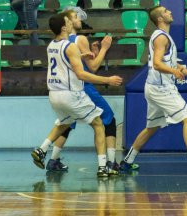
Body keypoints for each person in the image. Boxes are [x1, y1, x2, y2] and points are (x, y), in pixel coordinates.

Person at [118, 4, 187, 175]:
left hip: (153, 87)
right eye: (166, 11)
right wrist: (174, 72)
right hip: (161, 88)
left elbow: (173, 64)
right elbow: (157, 64)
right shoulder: (161, 38)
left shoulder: (163, 37)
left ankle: (127, 161)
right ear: (160, 19)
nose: (170, 11)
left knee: (151, 128)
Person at [31, 11, 123, 177]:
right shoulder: (72, 45)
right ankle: (103, 167)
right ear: (64, 27)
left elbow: (63, 59)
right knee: (98, 124)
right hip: (70, 93)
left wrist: (81, 55)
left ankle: (41, 149)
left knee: (64, 122)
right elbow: (81, 74)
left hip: (54, 95)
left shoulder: (51, 45)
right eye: (68, 20)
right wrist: (107, 80)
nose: (72, 22)